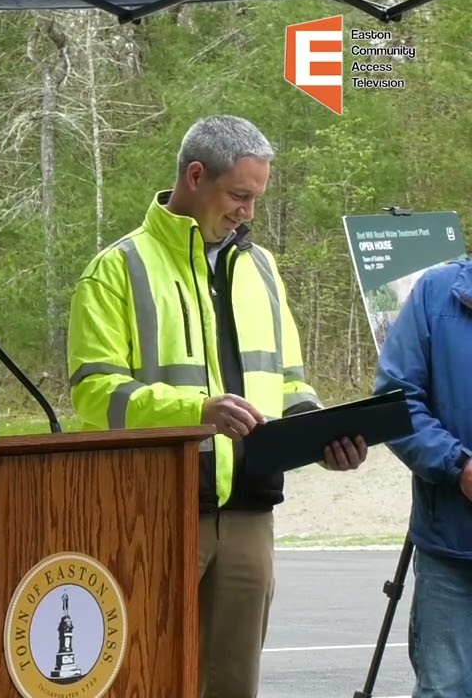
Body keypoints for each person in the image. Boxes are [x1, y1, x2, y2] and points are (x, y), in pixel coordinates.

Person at [65, 115, 367, 698]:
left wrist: (319, 434)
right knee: (143, 679)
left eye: (256, 198)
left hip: (251, 514)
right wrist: (195, 410)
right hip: (156, 511)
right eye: (238, 195)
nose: (247, 212)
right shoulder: (116, 270)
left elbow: (290, 382)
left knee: (233, 685)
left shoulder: (262, 269)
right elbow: (94, 393)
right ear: (195, 176)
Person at [373, 255, 472, 698]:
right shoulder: (436, 292)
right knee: (446, 688)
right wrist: (459, 466)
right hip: (452, 549)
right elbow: (396, 403)